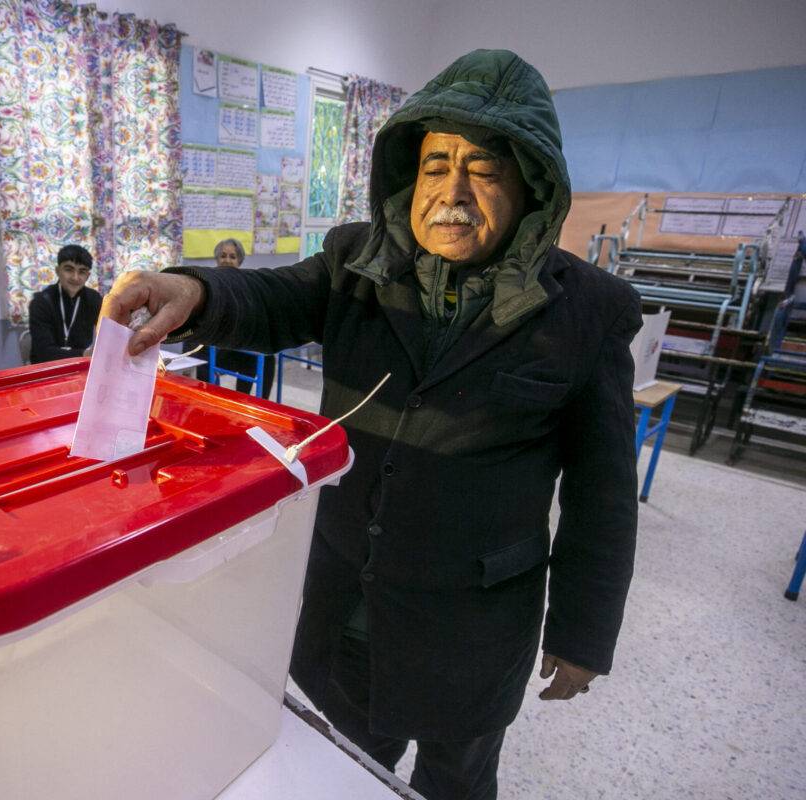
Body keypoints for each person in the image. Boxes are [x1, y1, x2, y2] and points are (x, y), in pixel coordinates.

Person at [102, 50, 642, 800]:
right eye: (434, 166)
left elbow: (604, 495)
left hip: (474, 630)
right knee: (345, 768)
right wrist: (193, 289)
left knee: (458, 780)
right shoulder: (354, 261)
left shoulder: (588, 312)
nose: (452, 192)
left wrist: (584, 634)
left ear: (533, 187)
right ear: (406, 176)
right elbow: (271, 299)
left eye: (483, 170)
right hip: (347, 598)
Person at [194, 238, 277, 398]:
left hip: (232, 345)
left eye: (232, 257)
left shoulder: (247, 283)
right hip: (209, 346)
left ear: (239, 261)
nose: (227, 260)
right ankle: (212, 400)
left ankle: (256, 402)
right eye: (223, 256)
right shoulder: (207, 281)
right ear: (217, 259)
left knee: (267, 356)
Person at [28, 244, 102, 363]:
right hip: (47, 370)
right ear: (58, 271)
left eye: (82, 272)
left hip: (80, 366)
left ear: (88, 276)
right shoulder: (40, 302)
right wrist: (84, 354)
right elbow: (43, 353)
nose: (75, 277)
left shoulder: (94, 299)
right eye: (69, 269)